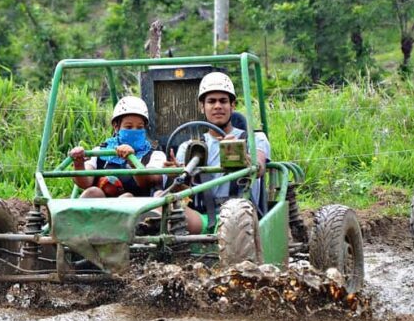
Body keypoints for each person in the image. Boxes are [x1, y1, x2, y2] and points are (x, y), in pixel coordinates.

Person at [168, 72, 271, 234]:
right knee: (163, 200)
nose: (217, 106)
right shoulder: (189, 147)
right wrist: (175, 175)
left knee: (237, 216)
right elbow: (182, 191)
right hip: (202, 218)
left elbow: (259, 168)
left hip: (242, 216)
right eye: (211, 101)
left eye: (223, 101)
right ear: (202, 107)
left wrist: (241, 155)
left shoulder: (254, 138)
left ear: (233, 105)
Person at [68, 96, 166, 198]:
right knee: (92, 192)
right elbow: (85, 183)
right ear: (116, 127)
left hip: (138, 209)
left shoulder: (154, 155)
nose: (134, 131)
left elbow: (150, 181)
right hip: (103, 209)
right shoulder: (100, 153)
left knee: (126, 198)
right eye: (128, 127)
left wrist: (132, 162)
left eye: (139, 127)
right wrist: (78, 164)